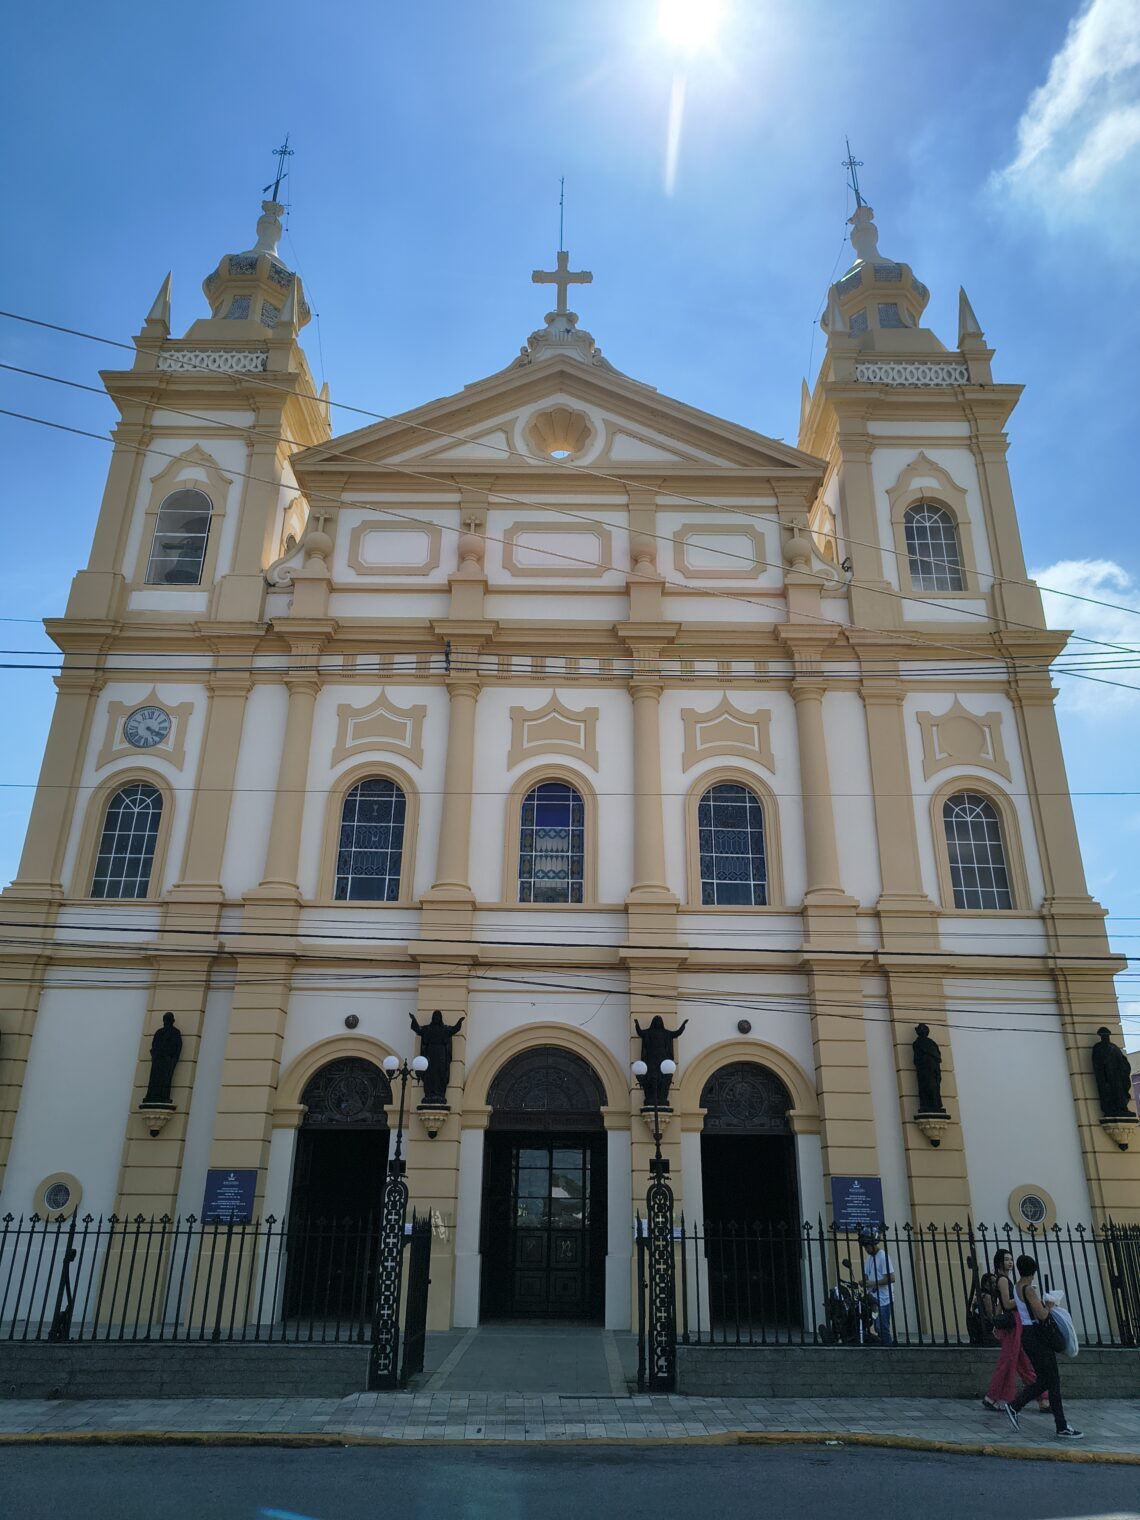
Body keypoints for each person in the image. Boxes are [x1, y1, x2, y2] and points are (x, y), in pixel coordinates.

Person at [1006, 1254, 1082, 1439]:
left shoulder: (1016, 1286)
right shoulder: (1029, 1290)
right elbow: (1041, 1315)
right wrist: (1049, 1304)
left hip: (1026, 1334)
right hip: (1037, 1336)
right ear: (1033, 1271)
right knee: (1053, 1380)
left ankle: (1015, 1406)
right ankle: (1061, 1426)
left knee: (1044, 1379)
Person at [980, 1248, 1045, 1415]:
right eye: (1007, 1259)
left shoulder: (1006, 1279)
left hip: (1015, 1321)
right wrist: (1024, 1296)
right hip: (1013, 1322)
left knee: (1021, 1361)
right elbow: (1007, 1304)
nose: (1010, 1262)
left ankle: (1044, 1398)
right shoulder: (1002, 1280)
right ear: (1000, 1262)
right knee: (1010, 1360)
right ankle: (994, 1396)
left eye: (1011, 1259)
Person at [860, 1227, 895, 1345]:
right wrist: (863, 1282)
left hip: (884, 1298)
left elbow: (891, 1278)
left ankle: (890, 1349)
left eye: (867, 1246)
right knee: (877, 1327)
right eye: (864, 1246)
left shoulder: (882, 1256)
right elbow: (867, 1275)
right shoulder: (869, 1258)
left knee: (882, 1327)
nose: (866, 1249)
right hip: (873, 1298)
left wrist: (873, 1283)